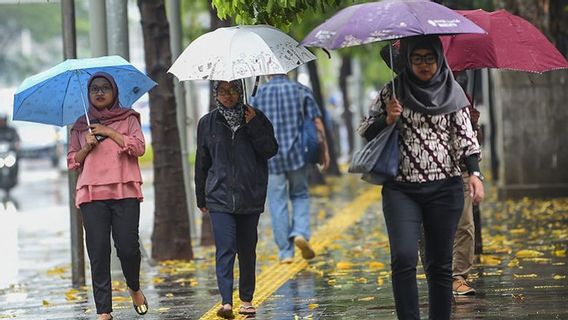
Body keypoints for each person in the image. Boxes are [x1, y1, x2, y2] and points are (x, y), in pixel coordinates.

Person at [359, 35, 484, 320]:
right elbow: (366, 131)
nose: (424, 64)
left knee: (439, 264)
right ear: (408, 60)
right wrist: (387, 119)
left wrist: (475, 174)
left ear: (438, 59)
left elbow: (466, 139)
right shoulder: (392, 91)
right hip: (401, 189)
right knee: (403, 258)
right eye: (417, 58)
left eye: (429, 58)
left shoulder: (453, 92)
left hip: (445, 187)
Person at [67, 72, 148, 320]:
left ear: (114, 91)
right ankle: (104, 310)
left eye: (104, 88)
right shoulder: (81, 124)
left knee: (128, 249)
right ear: (88, 95)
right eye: (94, 89)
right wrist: (87, 146)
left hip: (125, 192)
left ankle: (133, 286)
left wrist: (109, 132)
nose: (99, 93)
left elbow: (139, 148)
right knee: (98, 252)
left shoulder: (129, 118)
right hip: (92, 194)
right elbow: (72, 161)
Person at [195, 80, 278, 319]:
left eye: (233, 90)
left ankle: (247, 299)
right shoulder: (207, 123)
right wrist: (201, 195)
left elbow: (270, 150)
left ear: (240, 92)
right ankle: (226, 302)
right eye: (223, 91)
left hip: (249, 194)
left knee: (247, 249)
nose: (228, 95)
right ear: (216, 94)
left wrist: (253, 125)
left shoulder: (256, 117)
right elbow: (202, 161)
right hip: (218, 196)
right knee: (225, 248)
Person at [250, 74, 330, 264]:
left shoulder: (257, 95)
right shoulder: (301, 90)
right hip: (298, 155)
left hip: (271, 157)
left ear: (268, 72)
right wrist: (324, 151)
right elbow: (317, 122)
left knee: (277, 203)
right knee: (300, 194)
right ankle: (300, 232)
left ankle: (286, 252)